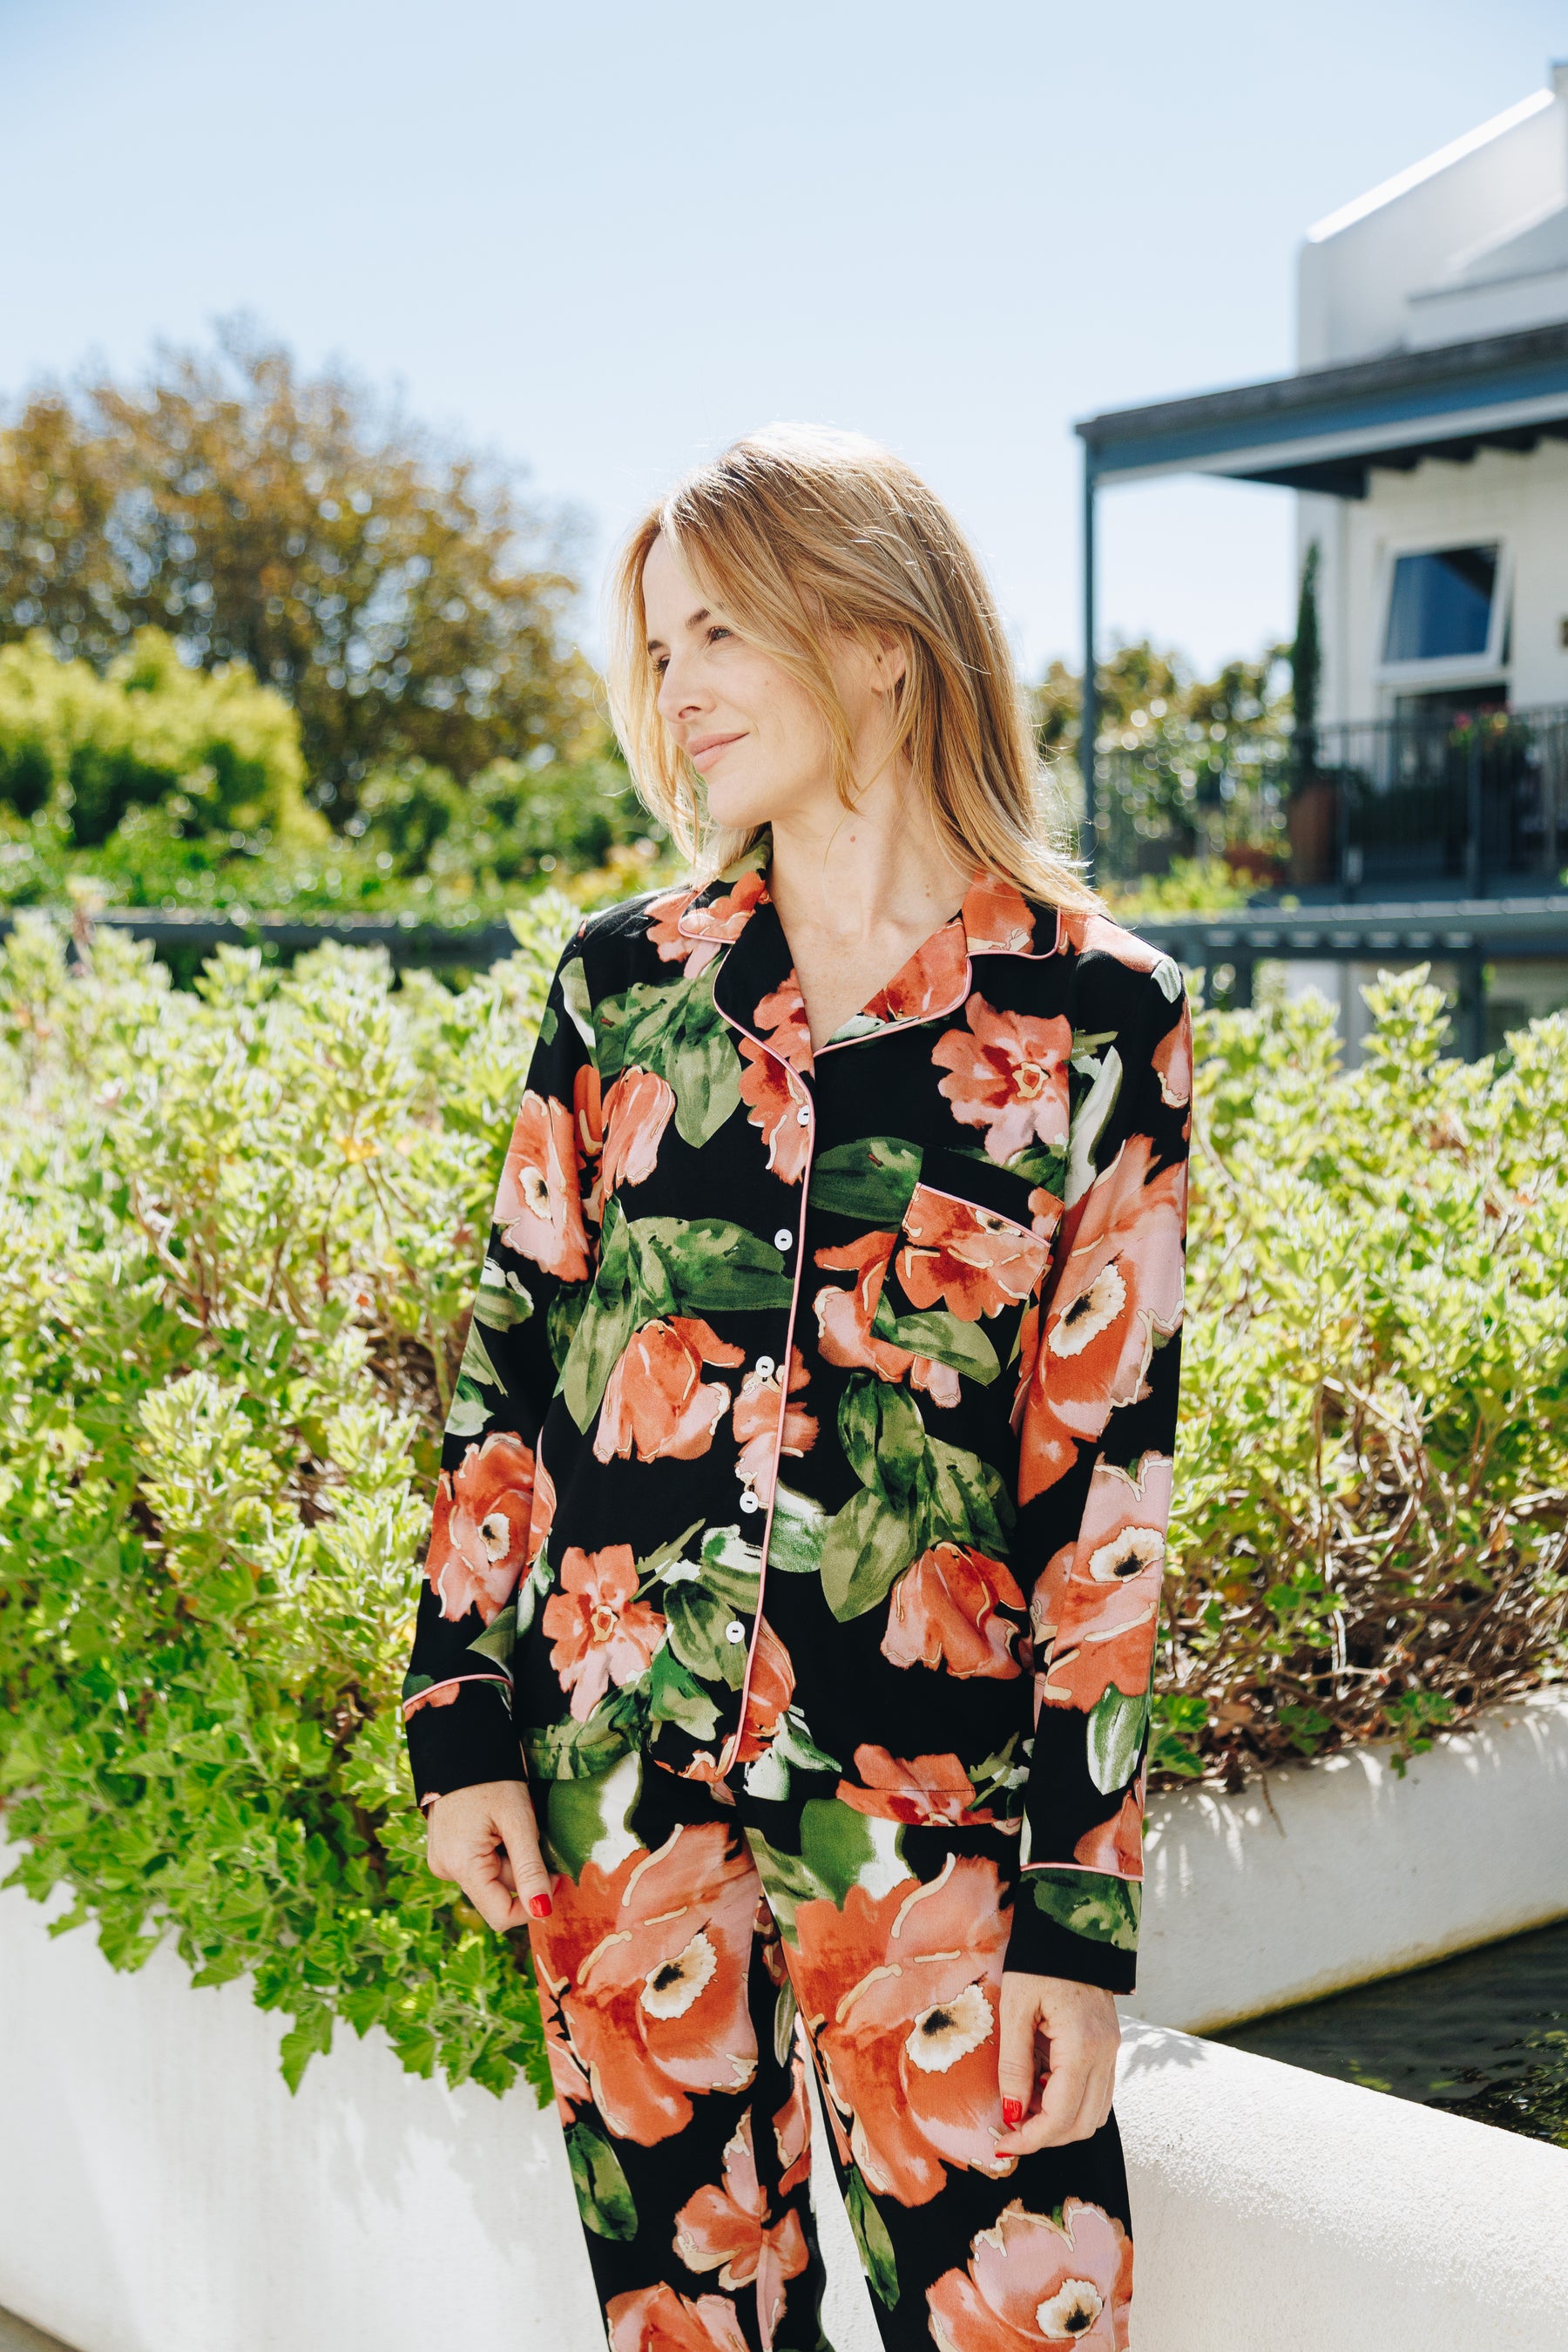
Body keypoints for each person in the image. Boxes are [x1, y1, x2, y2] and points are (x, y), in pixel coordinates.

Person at [402, 424, 1192, 2352]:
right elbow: (513, 1370)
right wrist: (460, 1722)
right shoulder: (623, 989)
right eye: (658, 654)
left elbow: (1105, 1499)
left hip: (933, 1819)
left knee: (1025, 2320)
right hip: (615, 1793)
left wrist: (1075, 1925)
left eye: (720, 639)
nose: (676, 700)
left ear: (879, 641)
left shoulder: (1099, 1018)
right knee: (682, 2331)